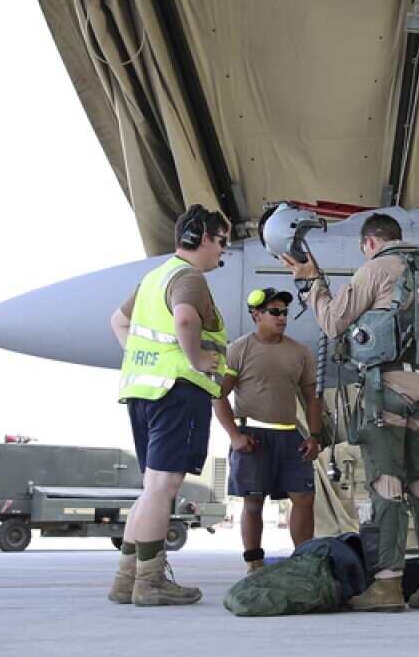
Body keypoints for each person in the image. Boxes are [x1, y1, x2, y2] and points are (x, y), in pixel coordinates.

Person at [281, 213, 419, 612]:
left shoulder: (375, 268)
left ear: (371, 243)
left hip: (388, 391)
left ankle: (387, 585)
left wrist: (312, 284)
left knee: (386, 484)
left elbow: (332, 322)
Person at [107, 204, 230, 606]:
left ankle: (128, 578)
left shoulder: (153, 277)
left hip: (144, 392)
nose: (222, 251)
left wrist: (140, 357)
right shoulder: (188, 277)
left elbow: (118, 322)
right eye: (221, 241)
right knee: (164, 487)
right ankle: (151, 581)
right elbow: (184, 321)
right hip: (177, 392)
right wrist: (193, 359)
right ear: (202, 238)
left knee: (152, 488)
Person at [212, 287, 323, 574]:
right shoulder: (239, 349)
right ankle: (254, 562)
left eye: (284, 312)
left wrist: (315, 435)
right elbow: (218, 395)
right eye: (275, 312)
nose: (282, 317)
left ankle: (303, 560)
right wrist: (235, 436)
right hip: (252, 436)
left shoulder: (300, 352)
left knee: (304, 497)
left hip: (290, 436)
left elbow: (312, 398)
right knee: (253, 501)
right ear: (256, 315)